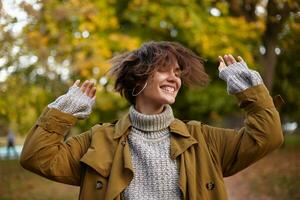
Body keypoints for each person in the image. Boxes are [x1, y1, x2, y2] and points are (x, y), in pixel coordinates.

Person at [20, 41, 283, 200]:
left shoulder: (203, 139)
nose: (174, 78)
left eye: (177, 73)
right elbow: (36, 157)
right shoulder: (98, 140)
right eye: (164, 70)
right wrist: (64, 112)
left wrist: (248, 90)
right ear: (138, 77)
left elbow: (268, 136)